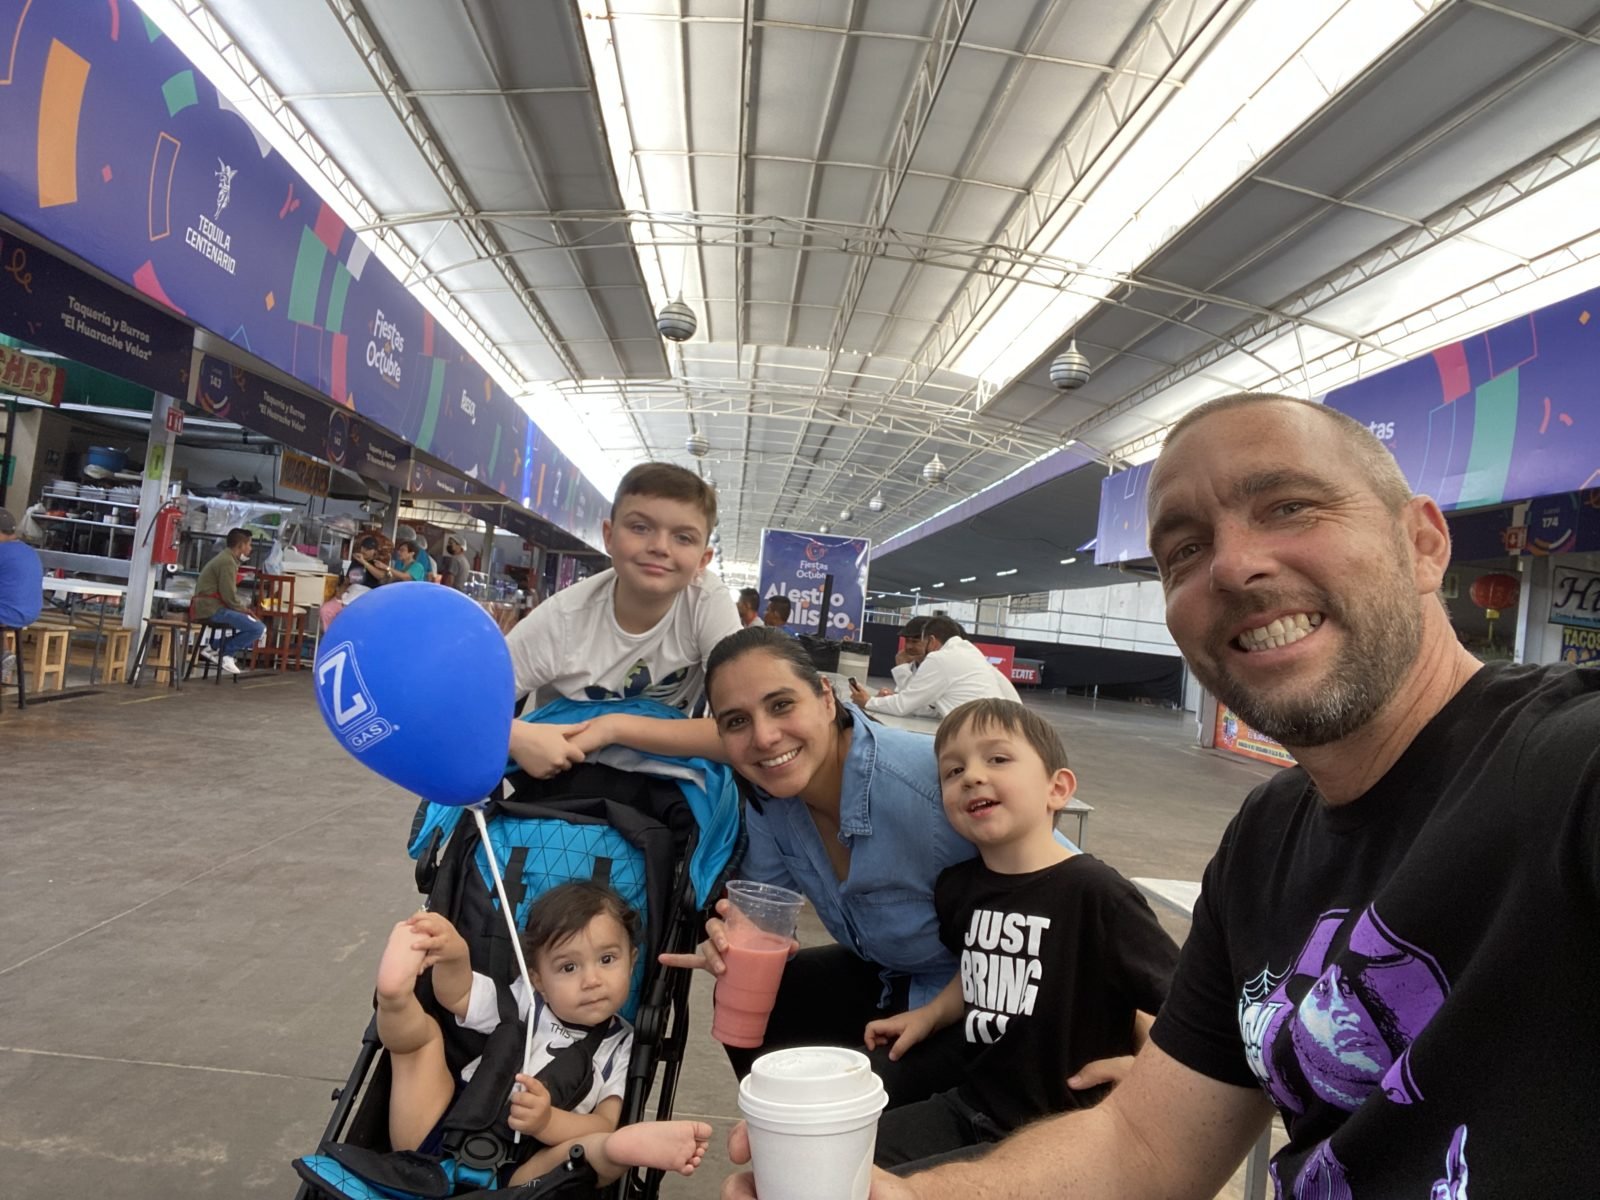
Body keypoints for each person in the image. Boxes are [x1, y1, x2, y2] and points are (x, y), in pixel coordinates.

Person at [722, 392, 1600, 1199]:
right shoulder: (1263, 845)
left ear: (1423, 543)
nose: (1232, 566)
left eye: (1289, 506)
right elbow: (1144, 1148)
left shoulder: (1561, 769)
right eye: (1183, 550)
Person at [661, 627, 991, 1107]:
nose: (764, 737)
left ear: (825, 697)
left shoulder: (928, 781)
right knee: (759, 999)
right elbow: (761, 915)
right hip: (891, 978)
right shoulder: (773, 804)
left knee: (853, 1108)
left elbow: (1067, 884)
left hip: (983, 1001)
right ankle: (786, 1136)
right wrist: (731, 942)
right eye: (736, 721)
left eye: (780, 705)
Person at [865, 698, 1179, 1172]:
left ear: (1058, 789)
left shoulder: (1096, 894)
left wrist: (1148, 1075)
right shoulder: (958, 888)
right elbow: (977, 971)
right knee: (845, 1160)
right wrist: (929, 1016)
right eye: (953, 771)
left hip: (1065, 1133)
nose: (971, 776)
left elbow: (1184, 1006)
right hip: (974, 1105)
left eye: (997, 759)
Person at [374, 881, 712, 1187]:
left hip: (525, 1173)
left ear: (632, 961)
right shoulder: (524, 1000)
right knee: (423, 1039)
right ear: (537, 979)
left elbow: (604, 1121)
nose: (592, 980)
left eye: (607, 959)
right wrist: (455, 958)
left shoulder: (621, 1047)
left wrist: (548, 1122)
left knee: (592, 1149)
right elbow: (459, 996)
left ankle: (621, 1151)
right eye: (569, 967)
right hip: (441, 1129)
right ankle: (394, 999)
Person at [504, 462, 742, 778]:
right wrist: (515, 735)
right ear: (609, 536)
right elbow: (462, 699)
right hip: (563, 783)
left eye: (683, 538)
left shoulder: (705, 602)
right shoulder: (563, 619)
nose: (659, 547)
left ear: (703, 560)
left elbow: (748, 726)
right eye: (640, 528)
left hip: (661, 787)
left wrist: (614, 728)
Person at [852, 617, 1020, 717]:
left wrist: (868, 702)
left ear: (932, 641)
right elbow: (926, 706)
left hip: (982, 731)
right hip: (1000, 726)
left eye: (918, 641)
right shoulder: (968, 653)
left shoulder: (939, 659)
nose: (909, 647)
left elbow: (904, 704)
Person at [192, 528, 264, 675]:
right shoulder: (227, 562)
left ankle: (215, 647)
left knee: (255, 626)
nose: (250, 549)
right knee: (258, 628)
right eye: (249, 545)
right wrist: (245, 610)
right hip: (211, 609)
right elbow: (229, 595)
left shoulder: (227, 559)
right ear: (241, 546)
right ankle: (226, 653)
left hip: (211, 606)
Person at [0, 509, 44, 685]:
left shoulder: (2, 551)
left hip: (8, 612)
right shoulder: (28, 551)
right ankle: (3, 653)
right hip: (30, 611)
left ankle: (3, 654)